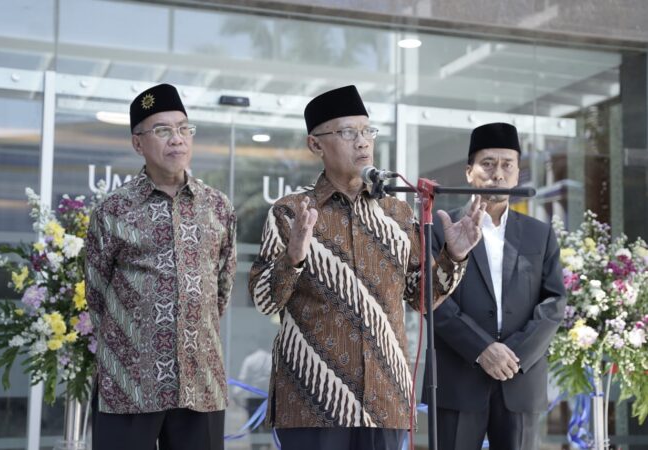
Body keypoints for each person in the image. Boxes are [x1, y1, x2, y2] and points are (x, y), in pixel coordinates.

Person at [248, 85, 486, 450]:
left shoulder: (398, 213)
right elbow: (265, 301)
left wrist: (453, 257)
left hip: (385, 398)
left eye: (367, 131)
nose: (362, 142)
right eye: (348, 132)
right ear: (316, 144)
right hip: (313, 400)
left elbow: (422, 299)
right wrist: (293, 256)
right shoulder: (290, 211)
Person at [85, 83, 237, 450]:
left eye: (184, 129)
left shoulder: (217, 207)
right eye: (163, 130)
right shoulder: (113, 211)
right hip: (130, 384)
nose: (177, 139)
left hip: (201, 382)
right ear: (138, 143)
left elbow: (222, 289)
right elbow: (97, 294)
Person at [423, 122, 567, 450]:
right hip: (458, 378)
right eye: (488, 164)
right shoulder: (440, 229)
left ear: (518, 173)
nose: (497, 174)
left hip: (520, 378)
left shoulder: (539, 234)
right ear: (469, 171)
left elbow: (554, 301)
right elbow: (433, 300)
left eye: (507, 165)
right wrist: (482, 349)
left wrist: (512, 355)